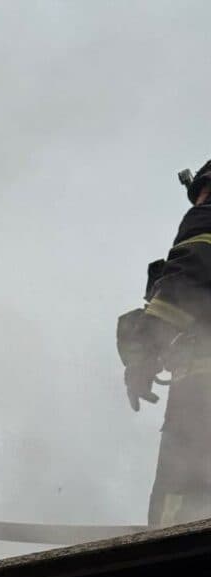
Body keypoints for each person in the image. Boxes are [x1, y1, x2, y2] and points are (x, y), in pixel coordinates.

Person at [117, 160, 211, 526]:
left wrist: (143, 349)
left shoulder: (206, 218)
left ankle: (178, 561)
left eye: (203, 191)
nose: (199, 201)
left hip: (202, 388)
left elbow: (186, 280)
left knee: (182, 496)